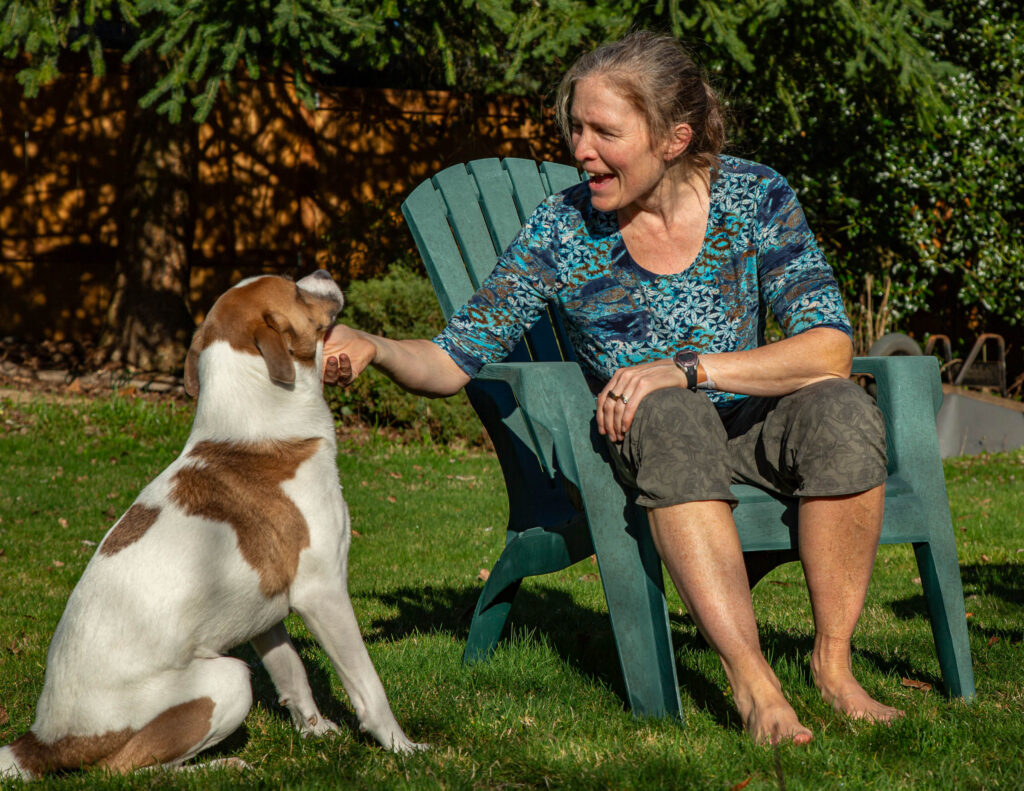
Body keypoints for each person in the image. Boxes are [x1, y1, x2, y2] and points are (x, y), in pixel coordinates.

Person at [323, 30, 903, 745]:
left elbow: (831, 347)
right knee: (668, 412)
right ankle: (755, 686)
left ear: (673, 137)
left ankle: (834, 666)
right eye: (575, 128)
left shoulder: (755, 196)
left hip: (754, 425)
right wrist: (375, 345)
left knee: (842, 408)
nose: (580, 149)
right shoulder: (564, 229)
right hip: (649, 441)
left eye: (604, 131)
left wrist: (690, 366)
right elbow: (453, 359)